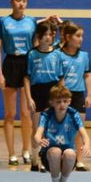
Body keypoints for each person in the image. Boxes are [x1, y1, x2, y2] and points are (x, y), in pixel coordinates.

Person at [0, 0, 59, 166]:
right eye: (17, 0)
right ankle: (11, 153)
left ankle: (26, 150)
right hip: (11, 64)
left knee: (26, 113)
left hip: (27, 63)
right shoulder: (4, 22)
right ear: (11, 2)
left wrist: (51, 20)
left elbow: (40, 39)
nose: (21, 3)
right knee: (9, 114)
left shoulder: (31, 21)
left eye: (24, 0)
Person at [32, 85, 90, 182]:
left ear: (69, 101)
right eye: (58, 102)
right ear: (51, 102)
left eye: (65, 101)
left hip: (68, 158)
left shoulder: (73, 115)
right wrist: (39, 140)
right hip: (49, 157)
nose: (62, 104)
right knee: (55, 151)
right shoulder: (46, 115)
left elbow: (85, 135)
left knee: (70, 153)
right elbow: (37, 134)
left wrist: (86, 144)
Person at [22, 22, 63, 173]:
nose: (48, 37)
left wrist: (60, 96)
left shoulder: (57, 54)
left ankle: (46, 159)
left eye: (51, 34)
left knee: (49, 129)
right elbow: (26, 78)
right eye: (44, 34)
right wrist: (29, 98)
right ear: (39, 36)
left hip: (52, 91)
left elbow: (60, 78)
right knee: (36, 127)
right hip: (37, 91)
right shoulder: (32, 54)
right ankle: (34, 159)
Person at [55, 22, 91, 171]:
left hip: (78, 95)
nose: (81, 39)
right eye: (77, 36)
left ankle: (79, 160)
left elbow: (88, 75)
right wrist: (62, 94)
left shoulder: (84, 56)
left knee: (78, 127)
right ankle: (60, 157)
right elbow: (59, 76)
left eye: (82, 36)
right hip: (63, 95)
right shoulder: (58, 54)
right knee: (61, 127)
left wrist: (89, 95)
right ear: (68, 37)